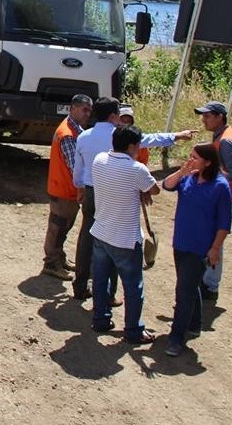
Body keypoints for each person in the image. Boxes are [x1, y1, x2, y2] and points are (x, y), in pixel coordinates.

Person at [72, 96, 193, 301]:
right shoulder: (122, 136)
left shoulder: (83, 137)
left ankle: (80, 284)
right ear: (113, 116)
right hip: (115, 192)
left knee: (87, 236)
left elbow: (78, 169)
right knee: (113, 239)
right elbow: (151, 139)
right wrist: (177, 136)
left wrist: (80, 188)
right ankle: (109, 294)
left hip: (92, 191)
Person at [89, 125, 161, 344]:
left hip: (101, 231)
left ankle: (100, 319)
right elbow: (154, 189)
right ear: (132, 146)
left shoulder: (99, 159)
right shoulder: (136, 169)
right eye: (139, 145)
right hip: (125, 239)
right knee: (133, 286)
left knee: (101, 281)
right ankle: (133, 330)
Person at [161, 143, 232, 356]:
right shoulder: (189, 178)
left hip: (200, 247)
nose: (190, 160)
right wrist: (182, 171)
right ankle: (194, 323)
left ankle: (176, 337)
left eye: (195, 157)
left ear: (208, 161)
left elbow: (224, 223)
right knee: (190, 286)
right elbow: (166, 185)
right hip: (181, 243)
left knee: (183, 291)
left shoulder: (220, 186)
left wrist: (215, 249)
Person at [194, 100, 232, 301]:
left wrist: (208, 173)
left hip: (219, 198)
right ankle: (208, 280)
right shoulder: (225, 135)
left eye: (207, 116)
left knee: (215, 239)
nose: (203, 120)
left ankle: (210, 284)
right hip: (219, 196)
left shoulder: (225, 140)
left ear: (219, 117)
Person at [41, 94, 92, 281]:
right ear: (73, 109)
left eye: (89, 111)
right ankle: (51, 263)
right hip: (63, 190)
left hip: (64, 189)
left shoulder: (72, 129)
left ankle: (58, 259)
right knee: (58, 227)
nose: (87, 114)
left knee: (63, 226)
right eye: (84, 110)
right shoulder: (68, 134)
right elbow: (74, 166)